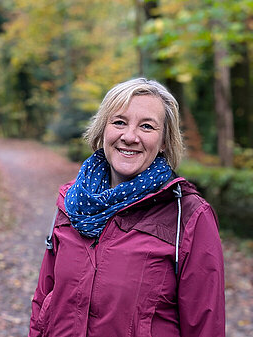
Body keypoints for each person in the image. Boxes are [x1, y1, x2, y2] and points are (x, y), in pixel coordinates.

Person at [29, 78, 225, 337]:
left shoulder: (188, 216)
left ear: (165, 140)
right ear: (103, 129)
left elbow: (205, 328)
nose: (130, 137)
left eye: (146, 126)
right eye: (119, 122)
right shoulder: (71, 202)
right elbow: (44, 300)